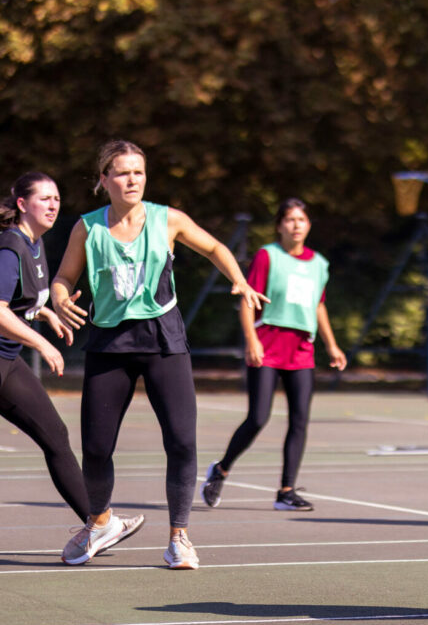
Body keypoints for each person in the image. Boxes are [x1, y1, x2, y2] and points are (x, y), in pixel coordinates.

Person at [50, 140, 267, 570]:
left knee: (182, 441)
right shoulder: (87, 228)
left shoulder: (168, 219)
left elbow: (215, 249)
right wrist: (58, 298)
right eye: (123, 172)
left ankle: (179, 538)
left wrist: (239, 280)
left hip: (163, 339)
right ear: (103, 180)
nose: (132, 179)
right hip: (109, 344)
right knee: (94, 448)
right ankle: (99, 522)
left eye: (139, 172)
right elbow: (64, 277)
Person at [0, 172, 145, 560]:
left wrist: (44, 312)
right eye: (44, 198)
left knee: (55, 436)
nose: (52, 205)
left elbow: (18, 299)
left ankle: (99, 522)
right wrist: (41, 342)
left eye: (56, 198)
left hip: (7, 364)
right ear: (21, 205)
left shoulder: (34, 244)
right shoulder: (10, 247)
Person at [202, 198, 347, 512]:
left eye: (302, 220)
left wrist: (331, 345)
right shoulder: (268, 256)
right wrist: (251, 339)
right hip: (267, 346)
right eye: (290, 220)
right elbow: (247, 299)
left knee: (299, 421)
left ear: (308, 225)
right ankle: (221, 469)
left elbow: (318, 305)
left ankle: (286, 491)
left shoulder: (319, 264)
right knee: (258, 417)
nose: (296, 225)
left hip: (301, 350)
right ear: (280, 225)